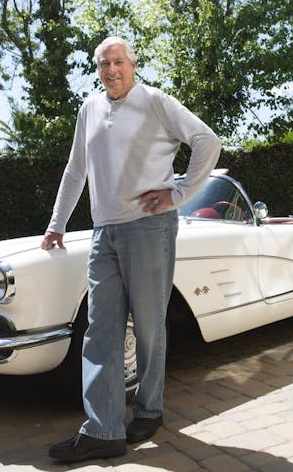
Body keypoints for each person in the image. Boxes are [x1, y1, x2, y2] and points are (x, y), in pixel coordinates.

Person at [42, 36, 221, 463]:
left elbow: (207, 141)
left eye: (118, 62)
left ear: (132, 64)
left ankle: (149, 409)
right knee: (100, 328)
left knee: (148, 326)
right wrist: (56, 224)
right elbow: (75, 169)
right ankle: (103, 430)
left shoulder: (155, 101)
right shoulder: (89, 108)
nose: (111, 70)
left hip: (148, 227)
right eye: (104, 64)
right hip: (104, 231)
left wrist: (178, 194)